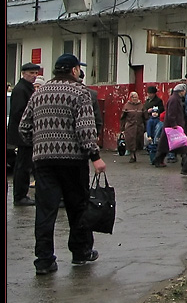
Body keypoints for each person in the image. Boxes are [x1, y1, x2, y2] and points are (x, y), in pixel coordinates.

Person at [18, 53, 106, 275]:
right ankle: (81, 251)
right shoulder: (80, 92)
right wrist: (95, 156)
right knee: (77, 207)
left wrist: (40, 145)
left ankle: (44, 260)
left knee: (45, 211)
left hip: (44, 161)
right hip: (72, 160)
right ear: (74, 70)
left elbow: (24, 128)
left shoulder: (39, 94)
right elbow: (86, 129)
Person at [8, 61, 41, 206]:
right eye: (31, 73)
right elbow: (18, 112)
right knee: (22, 165)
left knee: (26, 164)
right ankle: (20, 195)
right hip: (22, 134)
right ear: (23, 73)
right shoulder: (21, 89)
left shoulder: (27, 88)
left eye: (35, 73)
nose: (34, 76)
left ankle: (22, 194)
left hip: (24, 133)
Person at [152, 83, 187, 167]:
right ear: (181, 91)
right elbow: (171, 113)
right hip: (173, 126)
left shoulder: (174, 98)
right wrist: (174, 124)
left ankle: (158, 160)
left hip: (171, 126)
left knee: (166, 145)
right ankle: (185, 161)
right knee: (180, 144)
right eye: (184, 91)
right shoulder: (174, 99)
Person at [119, 91, 146, 163]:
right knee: (130, 141)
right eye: (134, 97)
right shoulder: (127, 106)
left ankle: (134, 153)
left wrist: (145, 127)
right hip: (130, 127)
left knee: (137, 141)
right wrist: (122, 128)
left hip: (139, 126)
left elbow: (145, 117)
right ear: (130, 98)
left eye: (136, 97)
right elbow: (123, 118)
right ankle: (132, 155)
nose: (135, 99)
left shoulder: (141, 105)